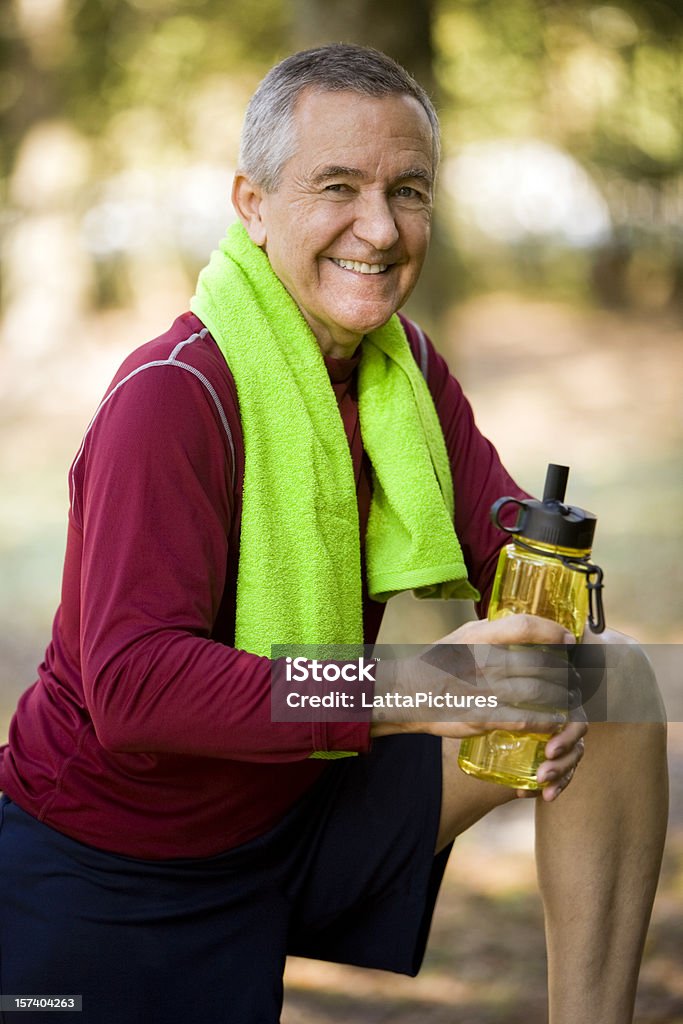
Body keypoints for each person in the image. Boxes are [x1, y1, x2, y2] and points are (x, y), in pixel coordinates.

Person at [0, 43, 667, 1024]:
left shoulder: (403, 375)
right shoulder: (171, 397)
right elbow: (135, 689)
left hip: (297, 809)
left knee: (607, 685)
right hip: (113, 866)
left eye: (407, 190)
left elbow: (503, 541)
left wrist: (544, 621)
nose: (380, 226)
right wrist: (417, 685)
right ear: (253, 203)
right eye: (338, 186)